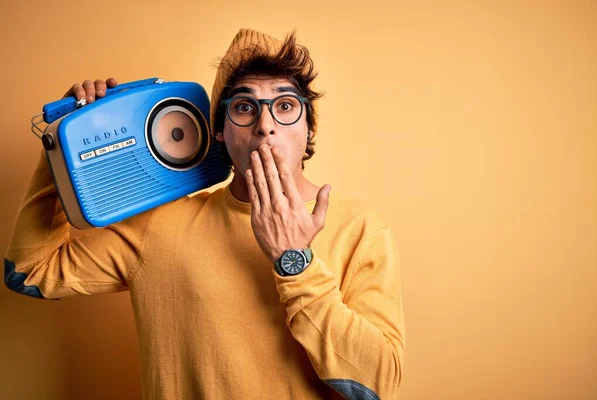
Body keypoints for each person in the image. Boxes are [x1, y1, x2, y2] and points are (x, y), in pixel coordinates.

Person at [4, 28, 406, 399]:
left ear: (309, 129)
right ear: (219, 131)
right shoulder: (159, 224)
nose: (266, 125)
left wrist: (294, 262)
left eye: (285, 105)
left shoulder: (360, 229)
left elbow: (376, 385)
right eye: (246, 108)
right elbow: (29, 272)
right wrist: (62, 136)